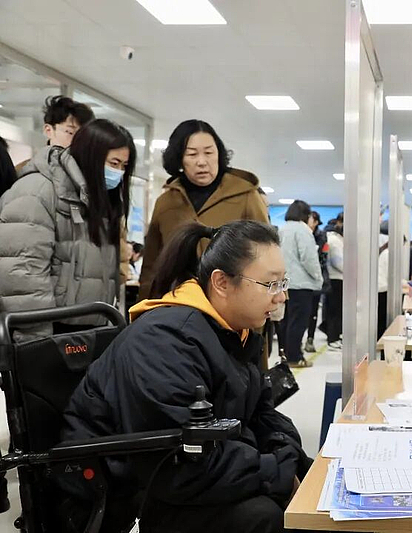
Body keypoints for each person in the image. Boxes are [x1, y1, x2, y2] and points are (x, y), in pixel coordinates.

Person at [62, 220, 309, 533]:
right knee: (263, 515)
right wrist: (276, 471)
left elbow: (261, 414)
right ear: (221, 282)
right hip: (125, 491)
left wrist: (290, 456)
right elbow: (180, 463)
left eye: (283, 283)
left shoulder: (233, 332)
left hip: (183, 474)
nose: (282, 297)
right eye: (271, 284)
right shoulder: (164, 343)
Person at [0, 119, 135, 339]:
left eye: (124, 166)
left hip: (88, 331)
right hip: (51, 332)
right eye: (114, 163)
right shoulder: (38, 191)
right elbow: (22, 273)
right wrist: (37, 340)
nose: (118, 172)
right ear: (90, 157)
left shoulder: (98, 199)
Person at [138, 119, 269, 300]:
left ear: (218, 154)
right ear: (179, 159)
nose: (202, 162)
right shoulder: (166, 202)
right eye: (192, 154)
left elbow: (267, 254)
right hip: (177, 302)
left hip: (231, 302)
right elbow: (152, 264)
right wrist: (144, 306)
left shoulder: (246, 195)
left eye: (209, 152)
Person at [278, 200, 322, 367]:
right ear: (306, 215)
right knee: (299, 322)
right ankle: (294, 357)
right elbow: (308, 258)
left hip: (284, 283)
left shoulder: (282, 230)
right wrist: (318, 277)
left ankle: (285, 355)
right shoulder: (302, 231)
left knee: (286, 321)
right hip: (301, 284)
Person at [14, 95, 95, 174]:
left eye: (85, 136)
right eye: (70, 132)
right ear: (48, 130)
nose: (78, 141)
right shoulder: (25, 171)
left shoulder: (91, 173)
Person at [304, 210, 329, 353]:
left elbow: (323, 257)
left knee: (313, 311)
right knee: (301, 312)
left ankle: (310, 338)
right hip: (302, 280)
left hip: (316, 278)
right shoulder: (301, 234)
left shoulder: (321, 236)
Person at [324, 213, 344, 350]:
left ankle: (336, 336)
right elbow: (337, 262)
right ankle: (332, 338)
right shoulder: (333, 240)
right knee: (334, 310)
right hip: (335, 279)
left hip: (340, 278)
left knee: (338, 310)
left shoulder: (338, 239)